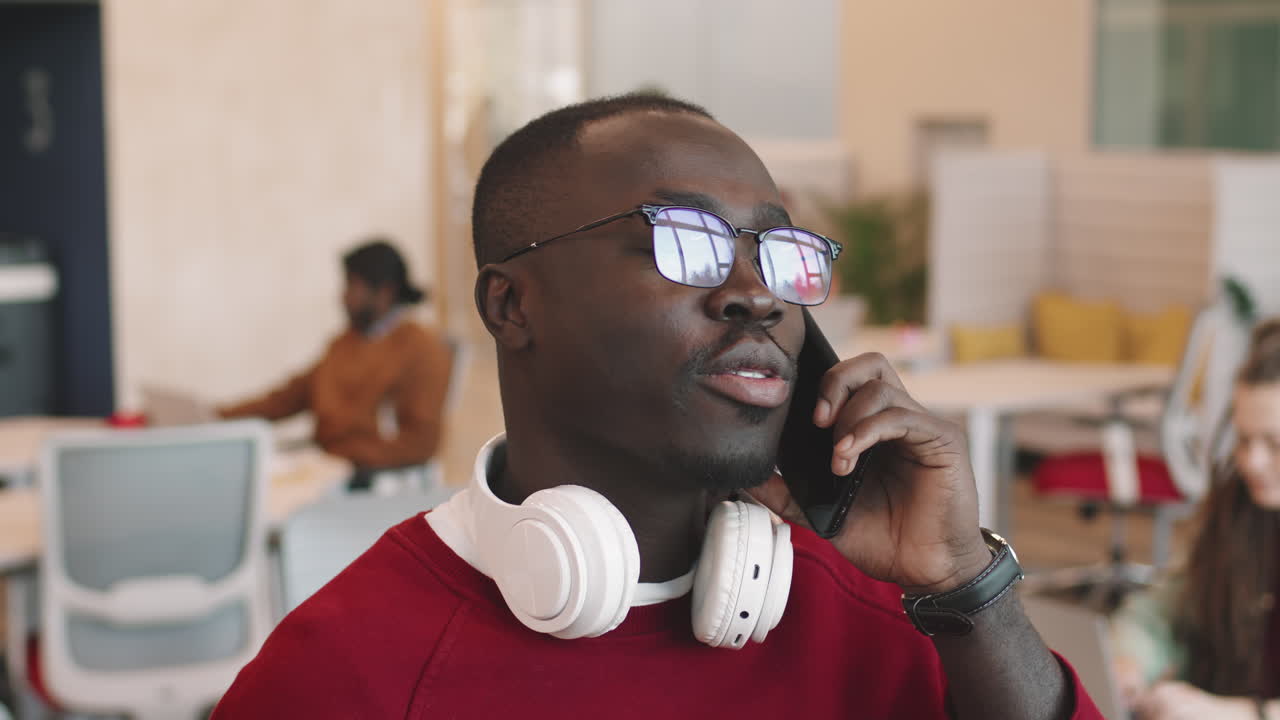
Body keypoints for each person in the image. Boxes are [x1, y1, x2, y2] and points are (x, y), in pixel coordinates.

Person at [213, 95, 1102, 718]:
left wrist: (965, 590)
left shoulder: (896, 614)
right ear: (512, 306)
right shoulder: (340, 675)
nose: (758, 295)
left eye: (779, 250)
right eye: (687, 241)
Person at [1112, 319, 1280, 719]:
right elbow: (1166, 610)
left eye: (1275, 443)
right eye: (1243, 439)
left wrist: (1238, 713)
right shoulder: (1240, 508)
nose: (1252, 462)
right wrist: (1128, 663)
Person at [218, 240, 452, 484]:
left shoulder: (421, 349)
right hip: (324, 464)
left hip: (362, 479)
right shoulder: (345, 343)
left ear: (385, 292)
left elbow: (420, 443)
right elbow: (285, 399)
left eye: (352, 286)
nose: (343, 297)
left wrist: (341, 459)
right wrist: (216, 417)